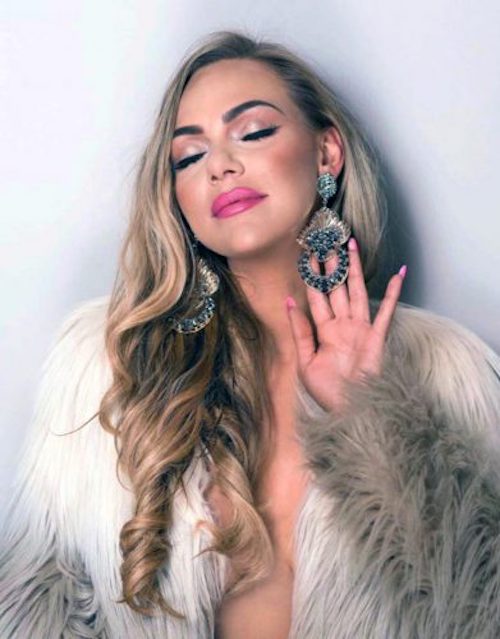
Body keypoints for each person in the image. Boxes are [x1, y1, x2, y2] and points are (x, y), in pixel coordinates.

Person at [1, 30, 500, 639]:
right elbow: (40, 604)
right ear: (177, 197)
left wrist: (374, 422)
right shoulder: (105, 362)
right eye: (189, 157)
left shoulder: (445, 366)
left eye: (254, 131)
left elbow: (480, 608)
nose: (219, 165)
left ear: (327, 153)